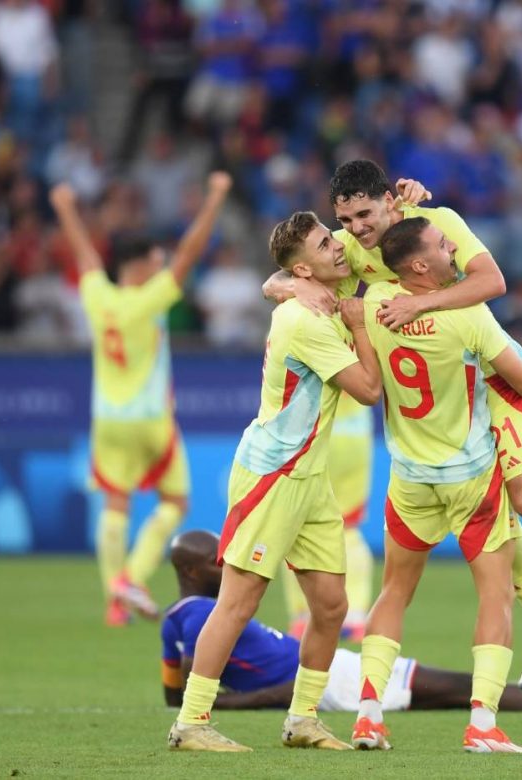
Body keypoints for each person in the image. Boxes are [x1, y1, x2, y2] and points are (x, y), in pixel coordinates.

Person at [263, 160, 522, 689]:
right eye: (345, 221)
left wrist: (421, 303)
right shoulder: (352, 250)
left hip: (489, 378)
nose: (356, 230)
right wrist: (289, 289)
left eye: (365, 214)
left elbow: (493, 280)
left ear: (391, 199)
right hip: (446, 399)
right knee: (494, 512)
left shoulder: (435, 221)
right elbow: (286, 271)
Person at [167, 211, 383, 753]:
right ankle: (191, 721)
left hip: (310, 476)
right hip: (273, 474)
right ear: (305, 270)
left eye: (332, 238)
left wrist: (280, 283)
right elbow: (368, 390)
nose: (338, 248)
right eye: (323, 245)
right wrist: (358, 324)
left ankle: (302, 718)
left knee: (332, 605)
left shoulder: (313, 289)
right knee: (239, 601)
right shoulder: (304, 322)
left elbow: (285, 278)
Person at [350, 216, 522, 754]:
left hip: (409, 477)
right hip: (471, 478)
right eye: (441, 244)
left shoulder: (374, 305)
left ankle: (368, 716)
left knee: (394, 592)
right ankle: (482, 724)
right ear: (419, 264)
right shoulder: (469, 316)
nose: (451, 246)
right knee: (495, 595)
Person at [163, 530, 522, 715]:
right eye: (215, 560)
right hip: (333, 683)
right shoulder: (206, 615)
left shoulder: (177, 620)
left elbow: (173, 691)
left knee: (462, 688)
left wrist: (213, 701)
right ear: (189, 571)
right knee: (466, 689)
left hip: (335, 669)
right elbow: (186, 692)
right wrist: (226, 708)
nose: (226, 562)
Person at [49, 174, 231, 627]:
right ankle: (132, 574)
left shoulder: (99, 297)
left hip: (108, 418)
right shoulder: (150, 299)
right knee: (175, 501)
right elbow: (190, 252)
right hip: (151, 418)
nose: (161, 261)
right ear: (141, 263)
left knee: (115, 503)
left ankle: (115, 596)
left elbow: (86, 255)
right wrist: (215, 198)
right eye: (155, 256)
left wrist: (65, 207)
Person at [281, 389, 376, 642]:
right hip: (354, 434)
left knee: (297, 528)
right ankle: (355, 616)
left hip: (313, 430)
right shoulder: (365, 346)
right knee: (348, 529)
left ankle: (303, 617)